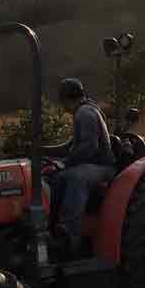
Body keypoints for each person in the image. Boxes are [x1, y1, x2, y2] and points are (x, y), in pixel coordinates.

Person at [42, 78, 116, 254]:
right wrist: (43, 151)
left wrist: (65, 163)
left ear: (65, 99)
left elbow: (89, 148)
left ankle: (69, 233)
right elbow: (70, 146)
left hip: (101, 166)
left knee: (76, 177)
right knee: (54, 178)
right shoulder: (83, 111)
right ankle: (50, 227)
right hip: (92, 164)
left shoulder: (85, 113)